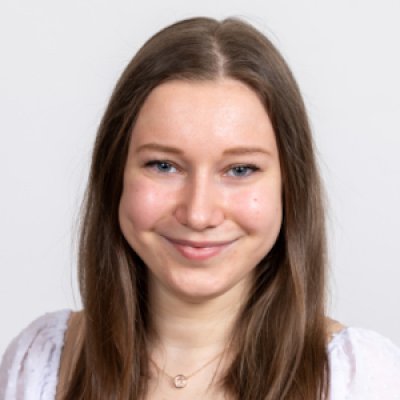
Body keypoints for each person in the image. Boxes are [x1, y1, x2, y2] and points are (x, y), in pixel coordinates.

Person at [1, 16, 399, 400]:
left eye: (240, 169)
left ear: (289, 186)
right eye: (164, 165)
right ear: (115, 174)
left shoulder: (362, 379)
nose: (198, 214)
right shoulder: (38, 364)